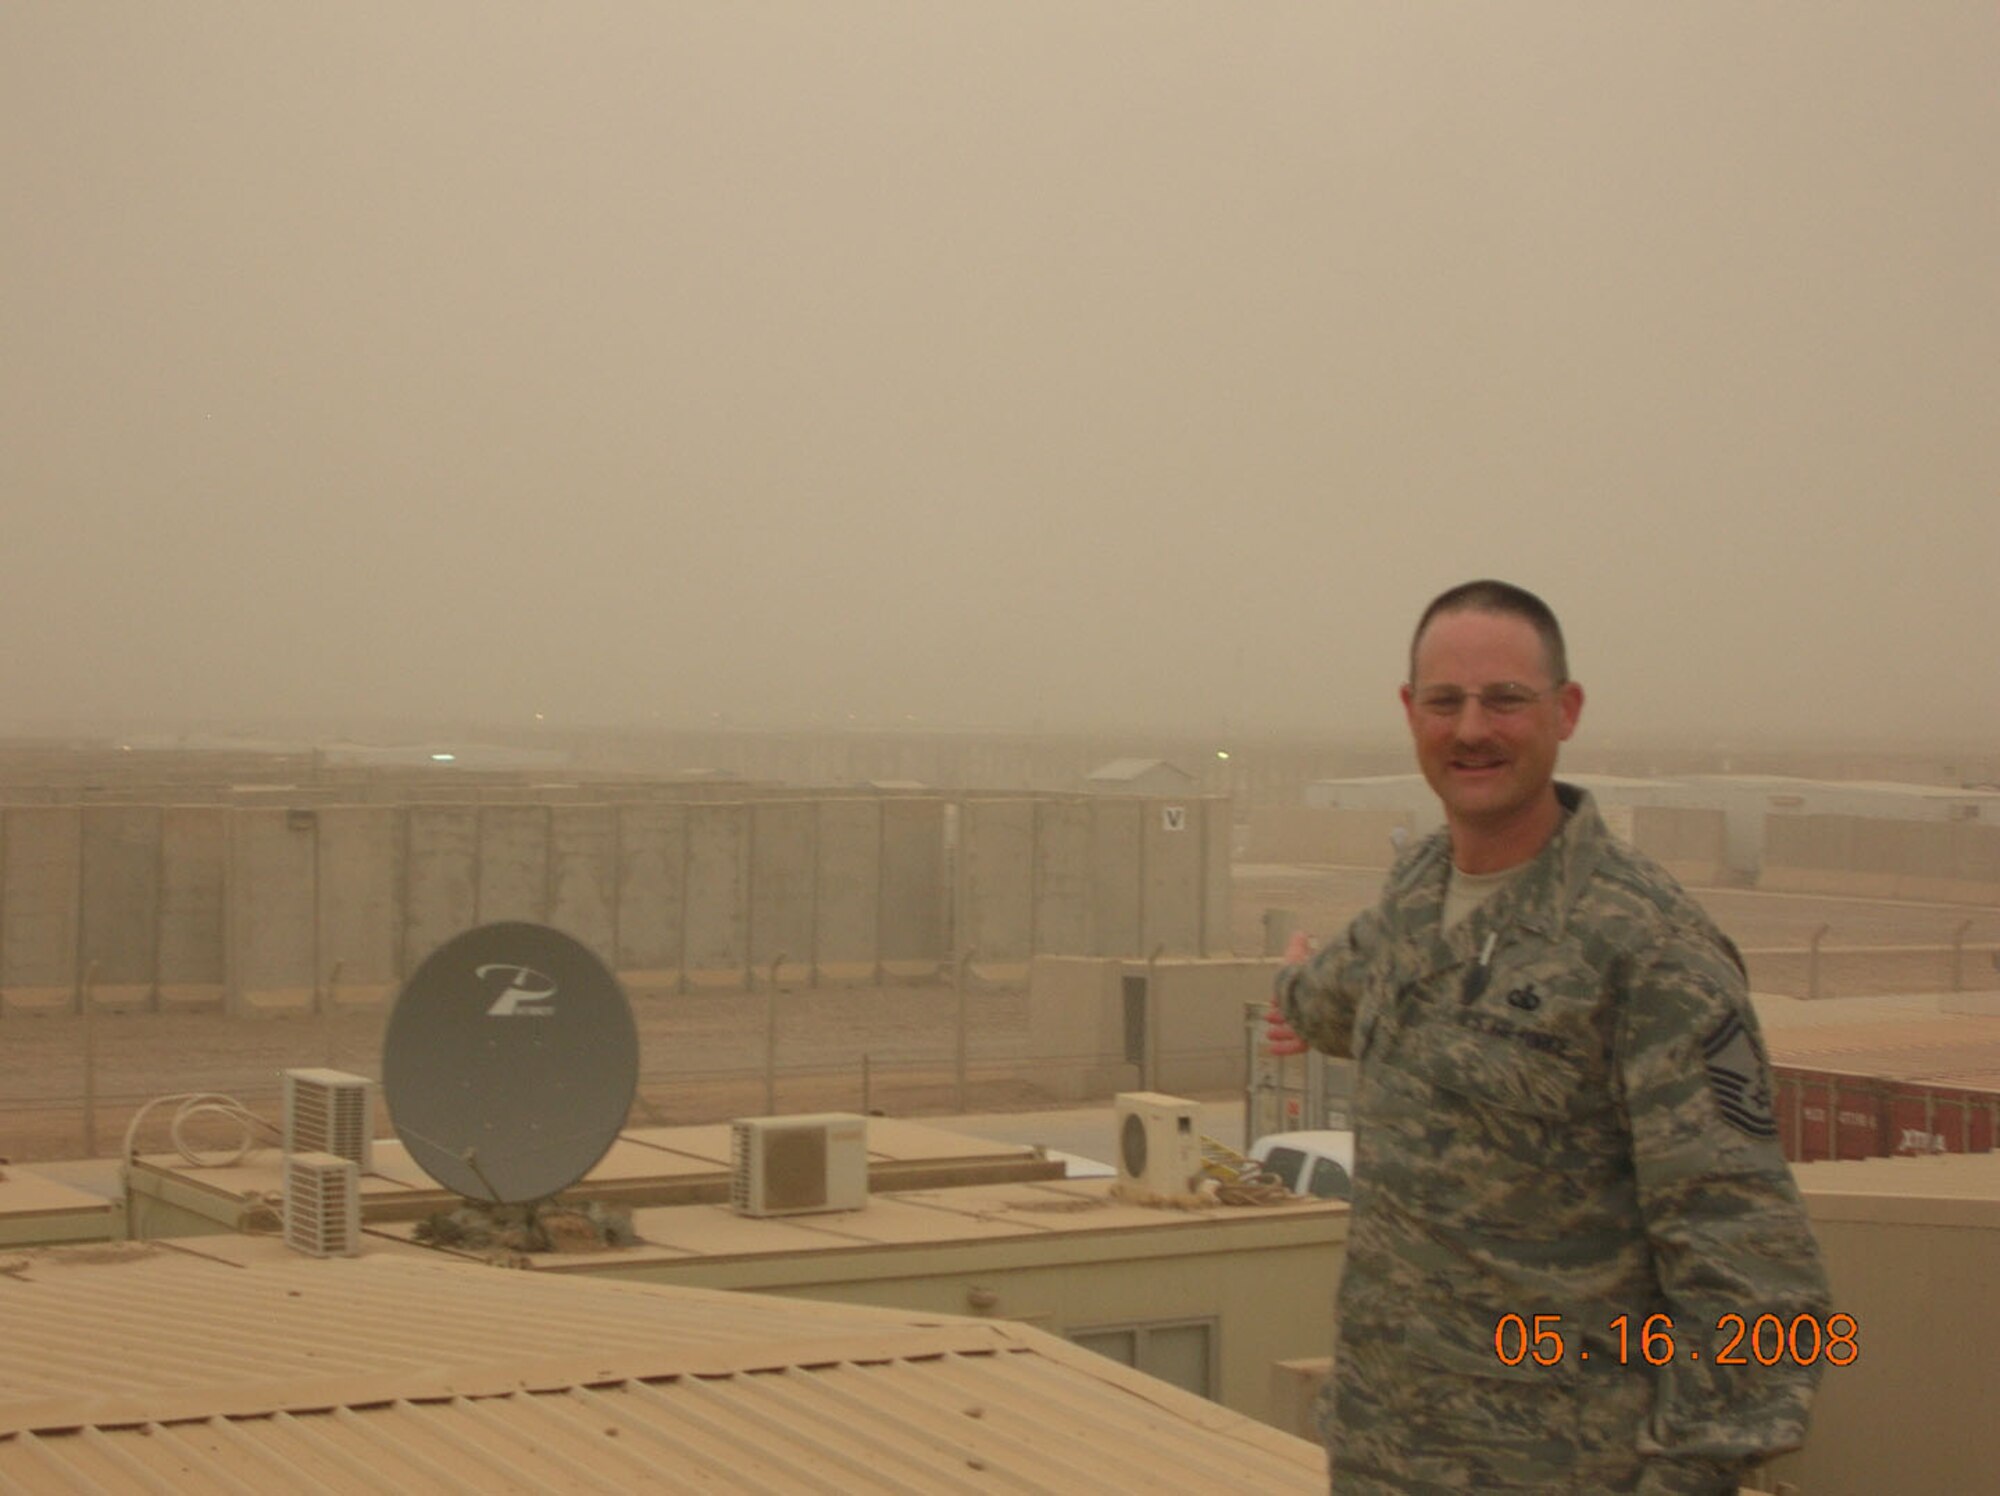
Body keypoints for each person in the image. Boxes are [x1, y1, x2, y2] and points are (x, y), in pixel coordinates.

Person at [1269, 580, 1831, 1495]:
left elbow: (1763, 1286)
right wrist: (1287, 994)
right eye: (1445, 702)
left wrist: (1690, 1478)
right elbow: (1336, 993)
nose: (1471, 730)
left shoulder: (1651, 953)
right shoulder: (1414, 894)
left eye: (1505, 701)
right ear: (1411, 713)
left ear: (1564, 712)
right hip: (1380, 1456)